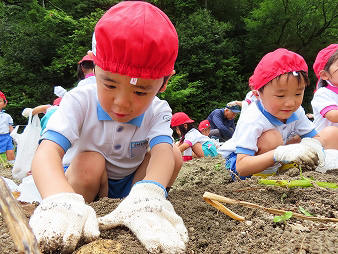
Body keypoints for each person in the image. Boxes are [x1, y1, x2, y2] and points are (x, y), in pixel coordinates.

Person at [28, 2, 188, 253]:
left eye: (140, 91)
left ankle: (141, 207)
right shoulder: (80, 100)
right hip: (87, 180)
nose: (122, 103)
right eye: (110, 85)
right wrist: (58, 198)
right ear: (95, 68)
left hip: (131, 184)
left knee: (173, 154)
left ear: (164, 82)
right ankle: (77, 211)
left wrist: (149, 193)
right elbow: (46, 152)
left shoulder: (158, 110)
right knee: (89, 164)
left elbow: (162, 153)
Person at [217, 48, 338, 180]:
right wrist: (279, 153)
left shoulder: (296, 111)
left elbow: (316, 137)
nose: (290, 103)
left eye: (298, 94)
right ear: (258, 95)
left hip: (273, 156)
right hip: (239, 164)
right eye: (280, 96)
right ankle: (267, 177)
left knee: (300, 138)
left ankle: (282, 169)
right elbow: (242, 167)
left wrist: (313, 149)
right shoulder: (253, 119)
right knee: (272, 138)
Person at [311, 44, 338, 132]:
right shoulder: (323, 93)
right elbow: (333, 116)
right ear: (325, 75)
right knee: (331, 132)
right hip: (326, 143)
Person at [0, 91, 15, 165]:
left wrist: (15, 136)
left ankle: (12, 164)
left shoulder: (7, 116)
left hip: (6, 136)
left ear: (4, 103)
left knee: (10, 150)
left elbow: (10, 127)